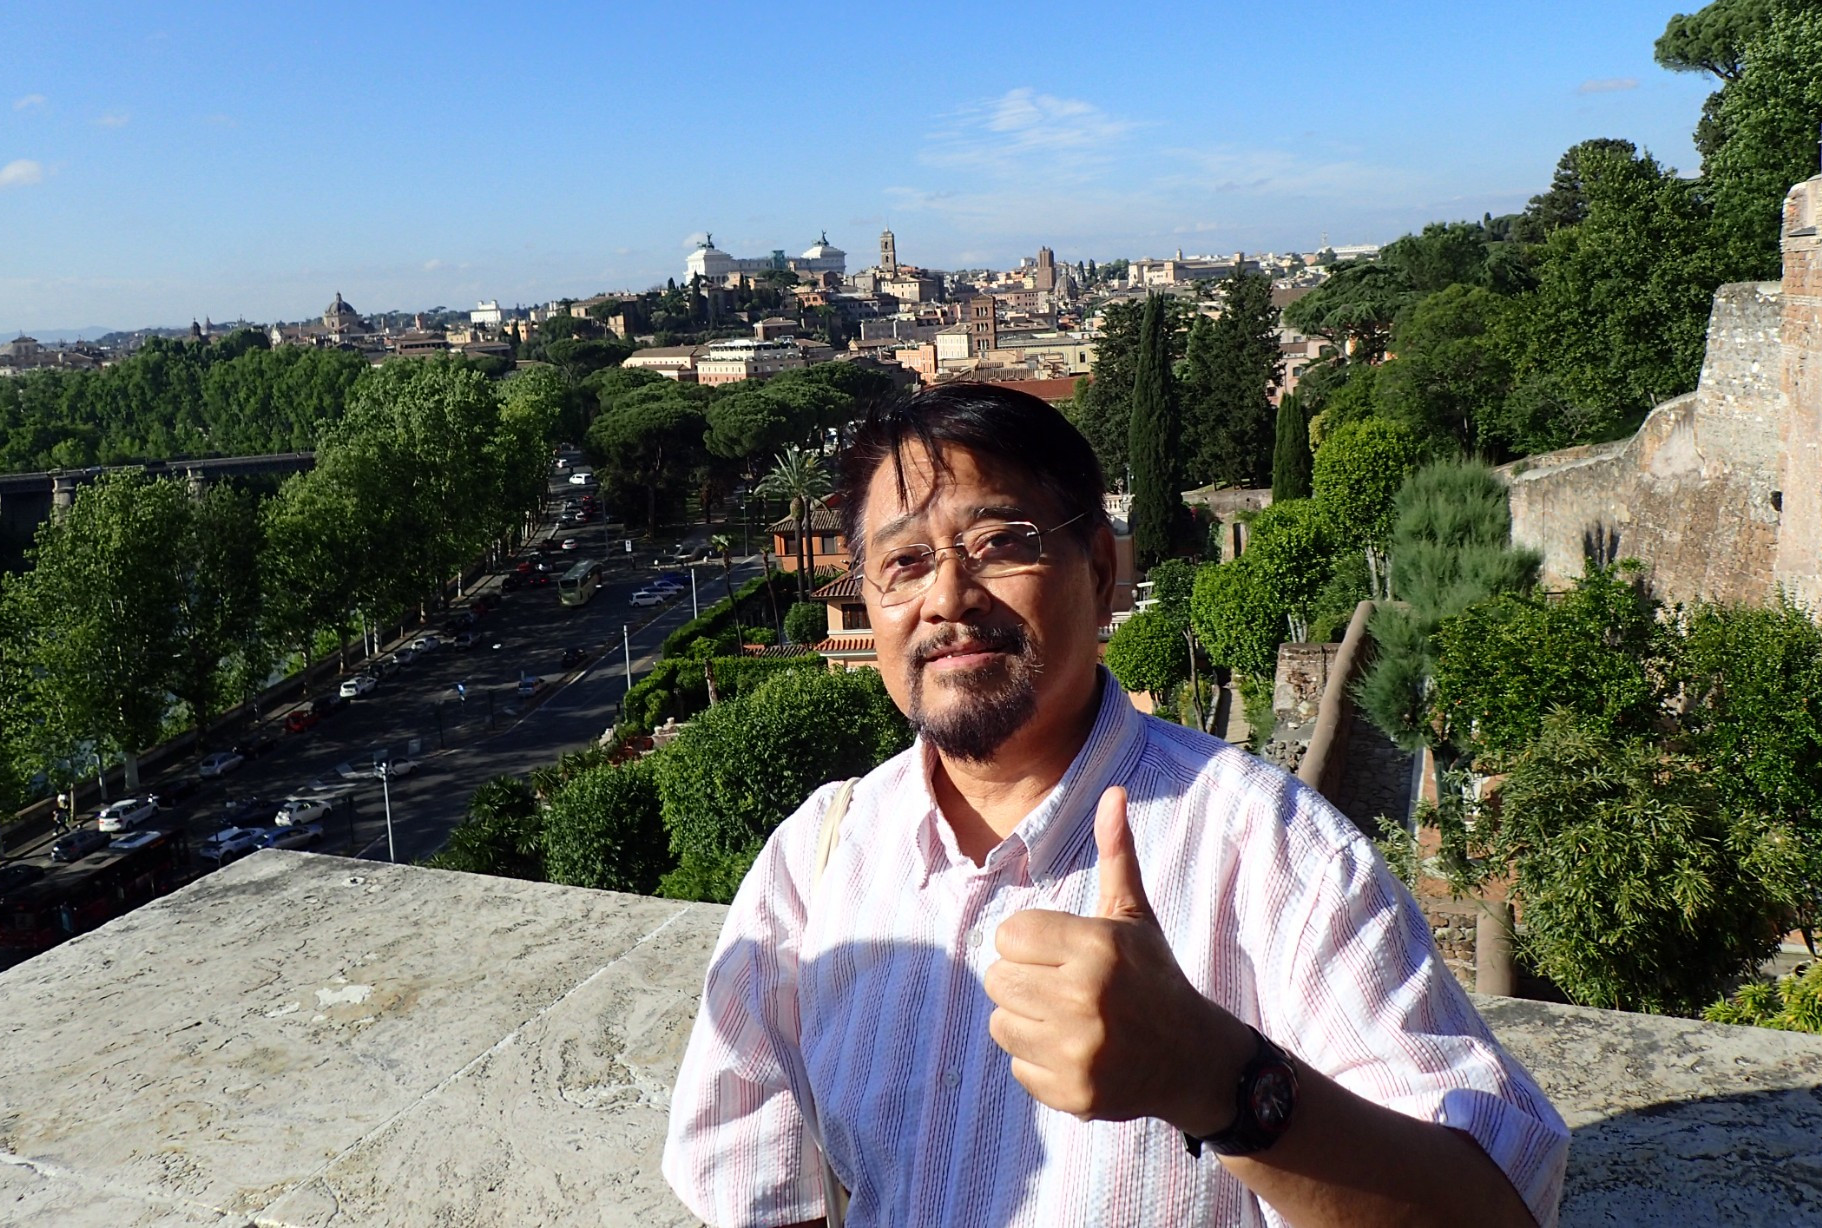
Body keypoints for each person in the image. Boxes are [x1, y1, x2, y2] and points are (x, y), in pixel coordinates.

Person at [664, 384, 1568, 1227]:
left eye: (1000, 542)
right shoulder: (815, 859)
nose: (946, 596)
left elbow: (1493, 1208)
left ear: (1100, 570)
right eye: (903, 563)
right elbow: (755, 1183)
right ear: (870, 600)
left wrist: (1214, 1078)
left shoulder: (1271, 847)